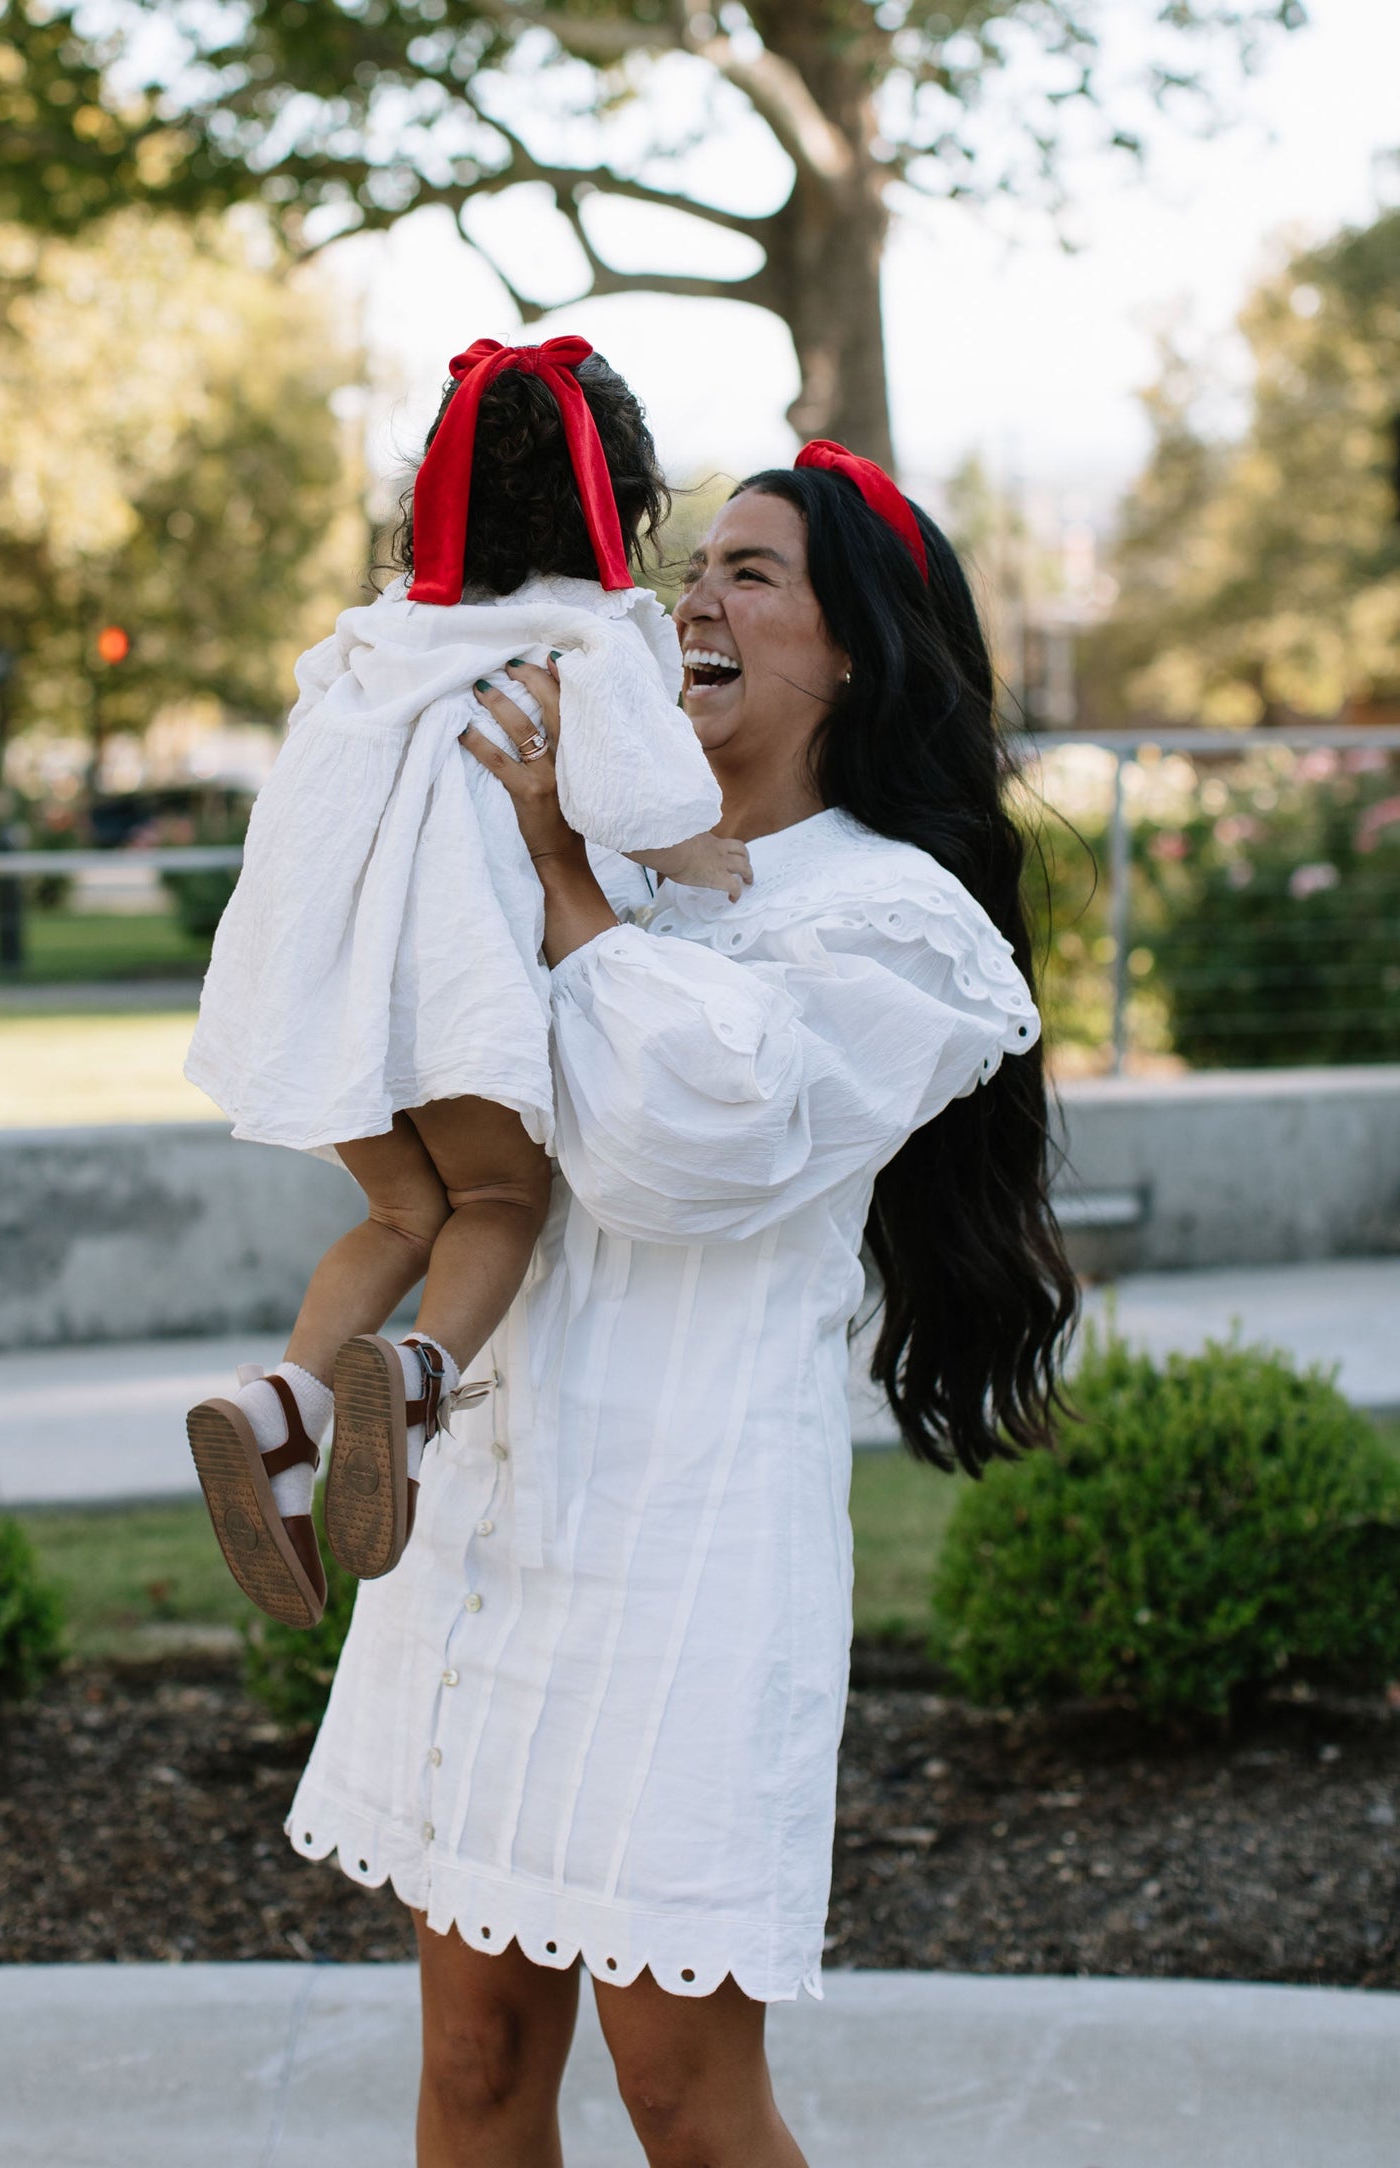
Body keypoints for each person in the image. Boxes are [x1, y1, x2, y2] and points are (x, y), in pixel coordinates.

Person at [284, 438, 1078, 2168]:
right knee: (474, 2065)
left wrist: (569, 881)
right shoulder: (610, 836)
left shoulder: (901, 920)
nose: (694, 597)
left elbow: (673, 1153)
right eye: (692, 562)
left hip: (689, 1552)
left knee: (681, 2098)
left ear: (853, 649)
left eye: (755, 574)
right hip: (498, 1516)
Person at [182, 337, 750, 1632]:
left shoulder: (378, 641)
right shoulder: (587, 638)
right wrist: (695, 852)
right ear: (621, 490)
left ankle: (281, 1400)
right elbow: (627, 790)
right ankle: (421, 1375)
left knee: (398, 1216)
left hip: (324, 994)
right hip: (449, 994)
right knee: (495, 1194)